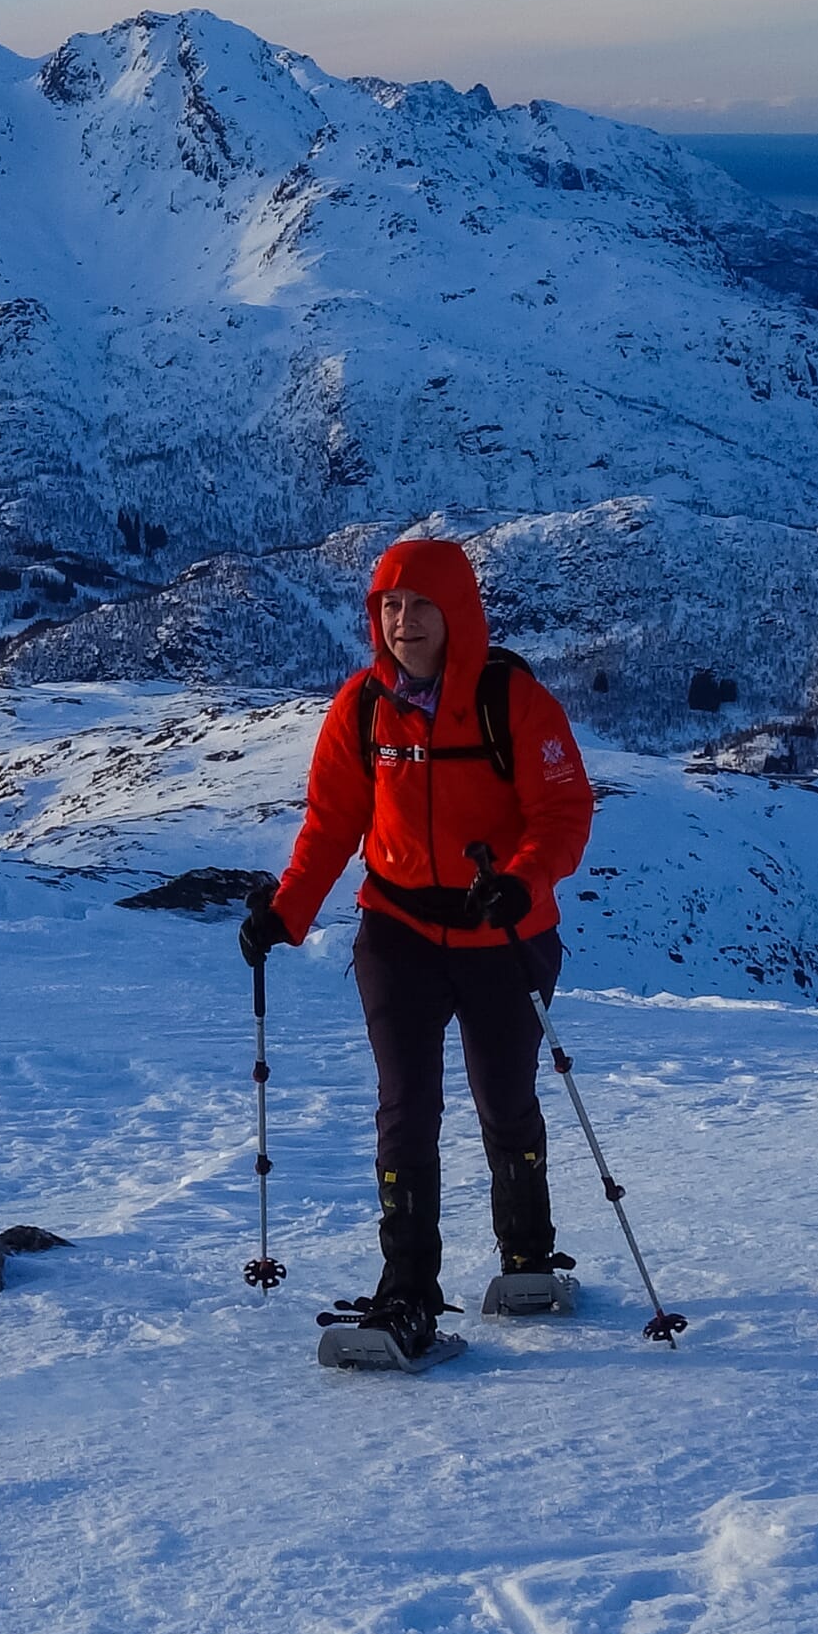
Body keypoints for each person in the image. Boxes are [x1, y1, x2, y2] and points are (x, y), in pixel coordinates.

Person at [236, 534, 595, 1359]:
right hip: (396, 930)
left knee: (503, 1098)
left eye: (419, 605)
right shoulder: (363, 709)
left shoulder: (513, 703)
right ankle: (407, 1289)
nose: (403, 622)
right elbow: (331, 824)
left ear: (456, 612)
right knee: (406, 1107)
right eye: (388, 607)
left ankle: (527, 1252)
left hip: (503, 931)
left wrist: (520, 879)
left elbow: (563, 813)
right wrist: (285, 915)